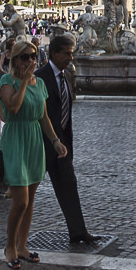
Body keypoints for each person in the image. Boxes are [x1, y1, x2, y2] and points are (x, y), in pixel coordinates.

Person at [0, 41, 66, 267]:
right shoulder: (7, 81)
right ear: (15, 59)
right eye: (25, 57)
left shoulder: (41, 83)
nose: (30, 61)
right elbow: (13, 108)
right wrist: (25, 82)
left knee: (30, 201)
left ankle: (22, 246)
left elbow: (43, 117)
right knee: (20, 201)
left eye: (33, 56)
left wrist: (55, 141)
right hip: (16, 139)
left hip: (34, 140)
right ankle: (10, 247)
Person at [39, 34, 105, 246]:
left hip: (62, 144)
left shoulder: (66, 75)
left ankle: (78, 231)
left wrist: (64, 141)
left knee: (69, 185)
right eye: (67, 54)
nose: (71, 58)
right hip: (41, 143)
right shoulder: (40, 77)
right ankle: (16, 240)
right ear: (54, 53)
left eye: (72, 53)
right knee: (27, 194)